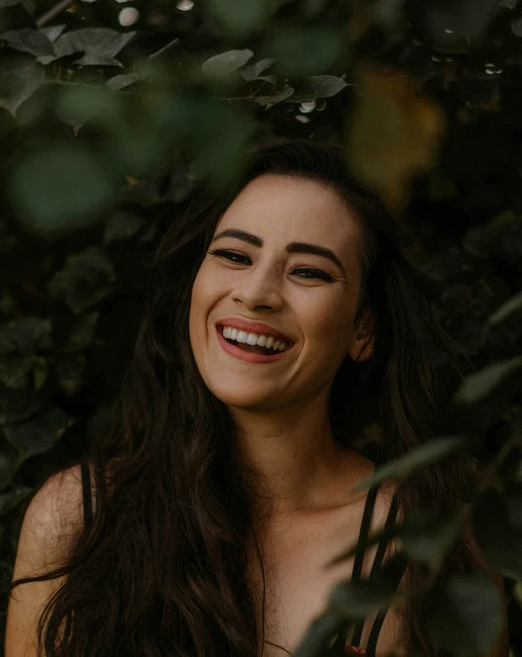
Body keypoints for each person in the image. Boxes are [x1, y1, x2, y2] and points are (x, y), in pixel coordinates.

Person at [5, 139, 508, 657]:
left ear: (363, 328)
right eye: (233, 255)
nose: (256, 291)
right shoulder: (79, 518)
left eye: (308, 271)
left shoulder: (431, 541)